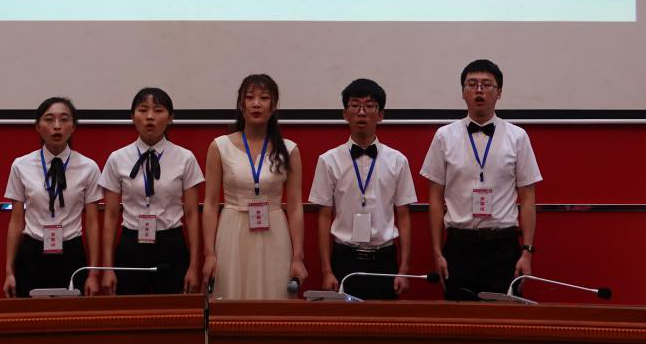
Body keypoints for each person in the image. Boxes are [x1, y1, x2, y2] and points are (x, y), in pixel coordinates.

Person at [420, 60, 541, 301]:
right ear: (463, 92)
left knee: (503, 319)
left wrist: (527, 252)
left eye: (487, 85)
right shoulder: (444, 136)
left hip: (503, 246)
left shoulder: (518, 137)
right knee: (459, 317)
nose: (479, 90)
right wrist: (437, 252)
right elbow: (435, 198)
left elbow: (528, 198)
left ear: (499, 92)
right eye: (472, 84)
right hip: (459, 246)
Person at [309, 78, 417, 300]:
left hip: (384, 258)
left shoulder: (398, 160)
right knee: (344, 321)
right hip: (344, 257)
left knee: (383, 319)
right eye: (355, 105)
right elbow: (324, 216)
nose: (361, 112)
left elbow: (404, 215)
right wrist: (327, 270)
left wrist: (404, 269)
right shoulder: (328, 160)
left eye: (369, 106)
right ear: (345, 113)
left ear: (380, 115)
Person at [202, 73, 307, 299]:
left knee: (274, 296)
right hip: (232, 230)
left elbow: (295, 206)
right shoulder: (220, 147)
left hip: (274, 230)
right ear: (241, 104)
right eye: (250, 97)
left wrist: (298, 256)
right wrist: (209, 253)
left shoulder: (289, 150)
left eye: (264, 98)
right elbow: (210, 204)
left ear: (274, 106)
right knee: (232, 297)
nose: (256, 104)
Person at [99, 87, 204, 295]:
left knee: (171, 310)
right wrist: (108, 268)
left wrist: (193, 266)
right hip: (131, 244)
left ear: (171, 117)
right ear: (132, 116)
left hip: (171, 244)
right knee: (131, 309)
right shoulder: (117, 158)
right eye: (142, 110)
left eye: (158, 110)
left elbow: (192, 214)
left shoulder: (185, 158)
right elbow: (110, 215)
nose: (149, 117)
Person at [3, 96, 103, 298]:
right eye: (49, 119)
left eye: (64, 119)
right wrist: (9, 271)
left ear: (73, 126)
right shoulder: (21, 165)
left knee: (71, 314)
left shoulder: (89, 167)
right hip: (32, 251)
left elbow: (92, 223)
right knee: (31, 314)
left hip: (71, 251)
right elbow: (16, 221)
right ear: (37, 127)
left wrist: (93, 273)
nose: (57, 126)